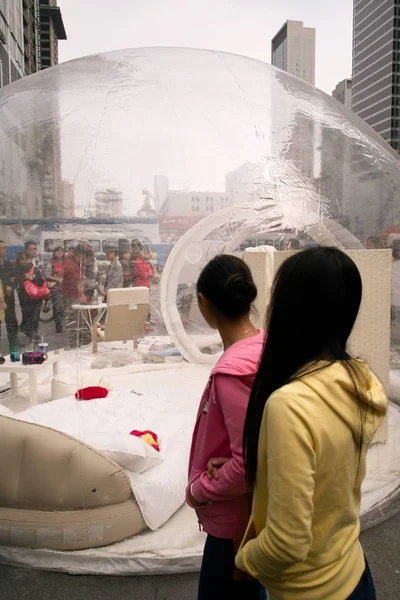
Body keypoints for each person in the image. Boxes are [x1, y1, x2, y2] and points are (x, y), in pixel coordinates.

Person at [226, 246, 387, 600]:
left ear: (293, 312)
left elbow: (287, 543)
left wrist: (245, 558)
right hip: (353, 572)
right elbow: (326, 469)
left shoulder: (290, 405)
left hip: (308, 591)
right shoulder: (357, 379)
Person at [186, 255, 266, 600]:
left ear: (204, 303)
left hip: (234, 525)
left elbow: (247, 461)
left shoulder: (233, 372)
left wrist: (198, 490)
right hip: (258, 512)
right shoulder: (265, 346)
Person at [15, 252, 45, 342]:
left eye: (26, 259)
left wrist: (32, 279)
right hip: (24, 298)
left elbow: (41, 282)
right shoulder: (17, 270)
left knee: (35, 317)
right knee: (27, 316)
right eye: (22, 259)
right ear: (19, 260)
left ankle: (34, 334)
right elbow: (15, 282)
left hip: (36, 298)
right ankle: (27, 331)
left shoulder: (34, 269)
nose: (24, 261)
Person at [0, 240, 19, 347]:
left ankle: (13, 342)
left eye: (5, 248)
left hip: (8, 296)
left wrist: (11, 287)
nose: (4, 250)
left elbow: (15, 278)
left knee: (11, 321)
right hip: (0, 297)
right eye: (2, 248)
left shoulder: (8, 264)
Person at [44, 246, 64, 333]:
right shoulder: (51, 263)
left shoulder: (66, 262)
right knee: (57, 307)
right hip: (55, 286)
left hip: (66, 286)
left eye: (61, 252)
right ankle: (58, 326)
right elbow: (47, 275)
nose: (59, 254)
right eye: (57, 252)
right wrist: (57, 279)